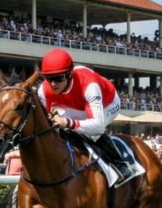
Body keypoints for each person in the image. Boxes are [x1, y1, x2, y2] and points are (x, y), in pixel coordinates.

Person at [37, 48, 134, 177]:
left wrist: (66, 122)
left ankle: (120, 164)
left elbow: (98, 127)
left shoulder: (89, 85)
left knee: (91, 133)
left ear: (70, 74)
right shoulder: (43, 90)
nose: (53, 84)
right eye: (49, 78)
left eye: (58, 78)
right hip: (77, 106)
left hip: (108, 103)